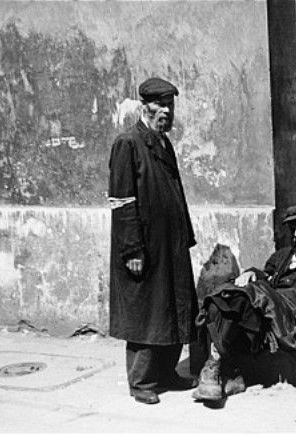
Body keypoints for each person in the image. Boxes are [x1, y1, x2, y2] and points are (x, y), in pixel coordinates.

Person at [192, 204, 296, 401]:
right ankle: (225, 371)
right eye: (293, 229)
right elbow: (265, 275)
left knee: (238, 299)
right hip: (268, 307)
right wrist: (251, 272)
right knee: (223, 301)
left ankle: (218, 367)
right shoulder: (284, 254)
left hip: (290, 310)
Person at [108, 77, 198, 405]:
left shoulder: (163, 144)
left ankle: (167, 372)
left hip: (170, 246)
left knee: (174, 310)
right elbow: (122, 202)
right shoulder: (128, 144)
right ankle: (141, 381)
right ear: (145, 106)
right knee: (147, 313)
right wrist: (131, 249)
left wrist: (185, 235)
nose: (167, 112)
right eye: (161, 106)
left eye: (170, 106)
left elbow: (176, 192)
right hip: (144, 247)